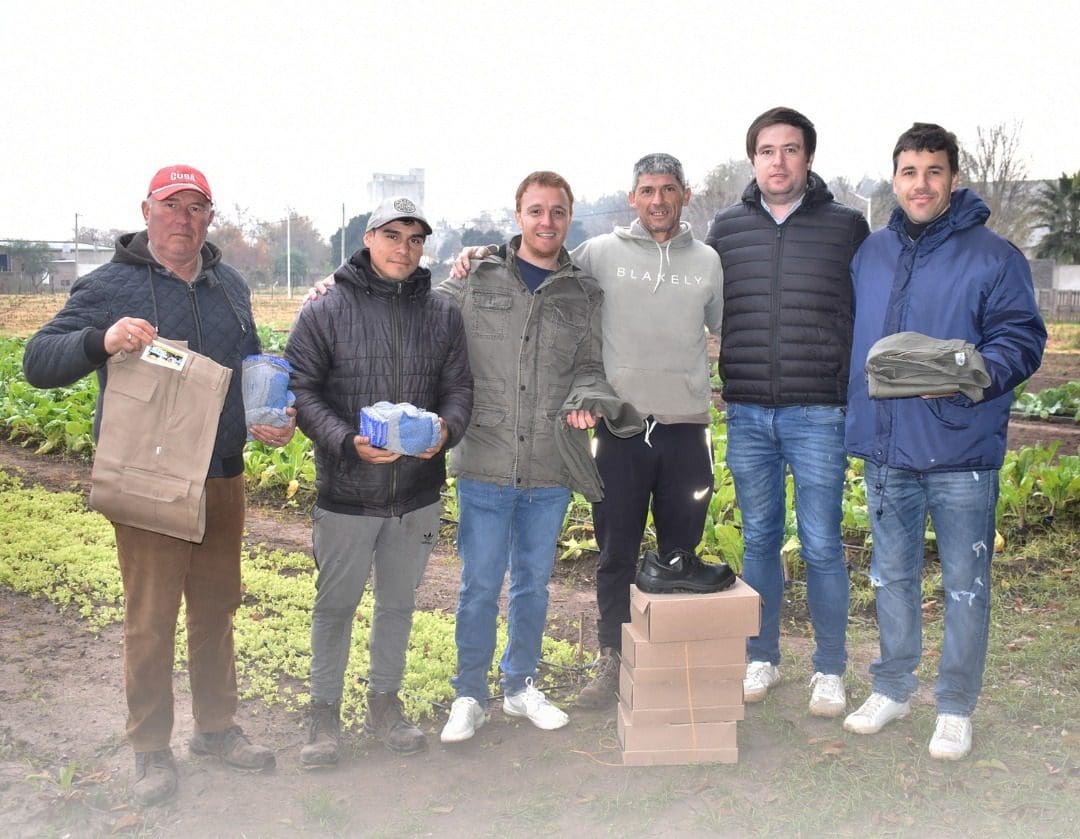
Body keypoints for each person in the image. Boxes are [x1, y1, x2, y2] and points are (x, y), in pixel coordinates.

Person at [22, 165, 294, 806]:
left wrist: (268, 411)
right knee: (150, 620)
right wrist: (101, 339)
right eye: (172, 206)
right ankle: (149, 749)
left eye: (197, 207)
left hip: (221, 476)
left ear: (210, 217)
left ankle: (216, 730)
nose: (184, 218)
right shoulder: (109, 285)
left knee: (218, 607)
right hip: (149, 480)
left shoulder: (230, 285)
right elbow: (38, 361)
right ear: (147, 211)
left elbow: (251, 361)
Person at [452, 155, 724, 709]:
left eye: (668, 190)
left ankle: (671, 667)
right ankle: (612, 661)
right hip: (620, 429)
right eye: (647, 190)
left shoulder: (709, 262)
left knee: (681, 554)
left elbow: (724, 329)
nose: (657, 200)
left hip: (686, 428)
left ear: (685, 195)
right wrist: (478, 254)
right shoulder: (600, 254)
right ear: (632, 197)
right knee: (615, 553)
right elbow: (539, 264)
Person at [842, 123, 1045, 759]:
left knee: (964, 583)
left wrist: (966, 377)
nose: (921, 184)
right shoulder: (871, 253)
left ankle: (954, 704)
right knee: (891, 576)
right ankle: (894, 687)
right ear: (895, 178)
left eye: (934, 172)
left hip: (961, 450)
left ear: (954, 179)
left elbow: (1021, 339)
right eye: (909, 172)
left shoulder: (995, 257)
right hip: (887, 450)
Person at [285, 197, 473, 763]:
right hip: (347, 493)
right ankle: (323, 716)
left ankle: (385, 703)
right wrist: (346, 441)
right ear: (367, 239)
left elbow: (459, 389)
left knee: (397, 604)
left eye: (415, 240)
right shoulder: (326, 309)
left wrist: (448, 430)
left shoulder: (442, 314)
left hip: (416, 495)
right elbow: (300, 388)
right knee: (335, 605)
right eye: (392, 236)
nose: (404, 249)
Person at [706, 107, 870, 717]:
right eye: (767, 150)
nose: (779, 161)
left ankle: (829, 669)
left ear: (808, 158)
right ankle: (761, 656)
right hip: (747, 412)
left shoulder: (847, 227)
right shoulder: (725, 229)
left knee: (824, 544)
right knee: (759, 542)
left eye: (791, 149)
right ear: (753, 159)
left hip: (819, 413)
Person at [436, 171, 604, 743]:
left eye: (557, 212)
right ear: (518, 217)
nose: (546, 222)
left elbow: (590, 366)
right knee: (480, 584)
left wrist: (586, 399)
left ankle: (520, 685)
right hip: (485, 454)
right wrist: (330, 290)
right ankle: (469, 693)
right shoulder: (476, 276)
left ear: (568, 218)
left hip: (550, 465)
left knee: (533, 583)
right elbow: (422, 315)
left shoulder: (582, 294)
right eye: (536, 211)